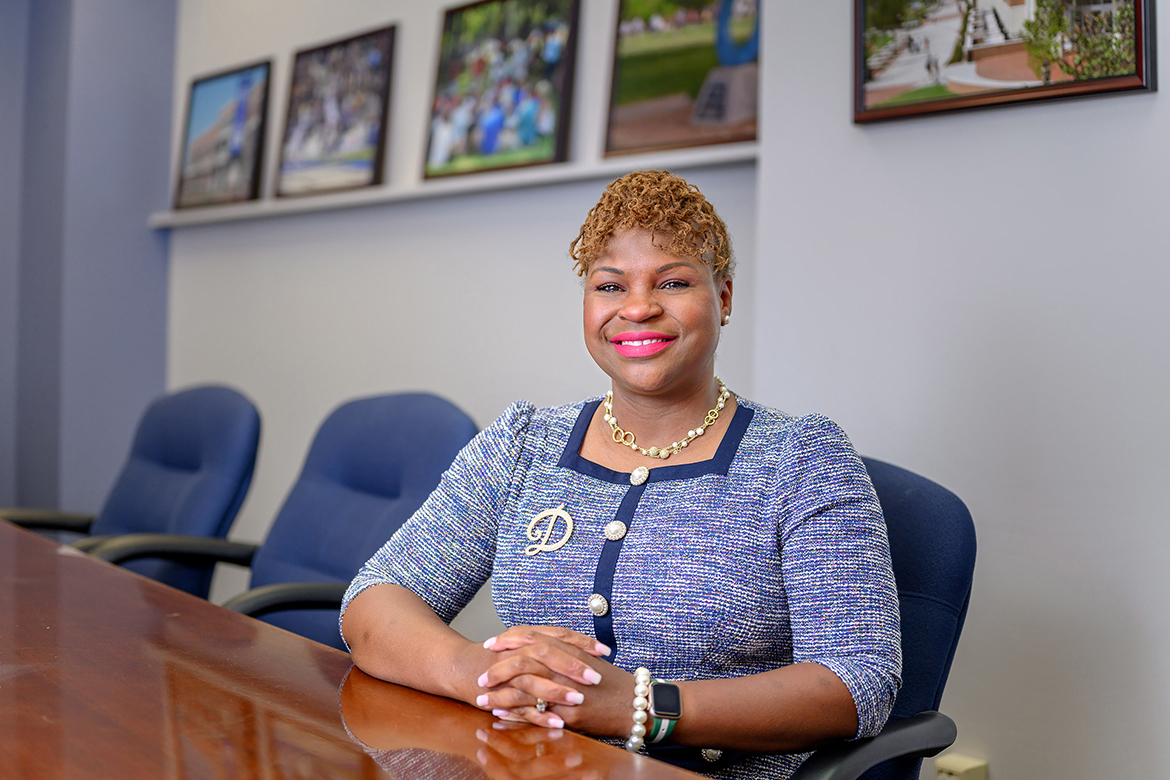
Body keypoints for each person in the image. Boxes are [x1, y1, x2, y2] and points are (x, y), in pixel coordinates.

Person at [340, 170, 901, 779]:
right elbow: (376, 601)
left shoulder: (801, 460)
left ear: (726, 298)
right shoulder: (524, 443)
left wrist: (640, 708)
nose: (638, 307)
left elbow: (858, 681)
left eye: (675, 282)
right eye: (610, 285)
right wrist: (475, 671)